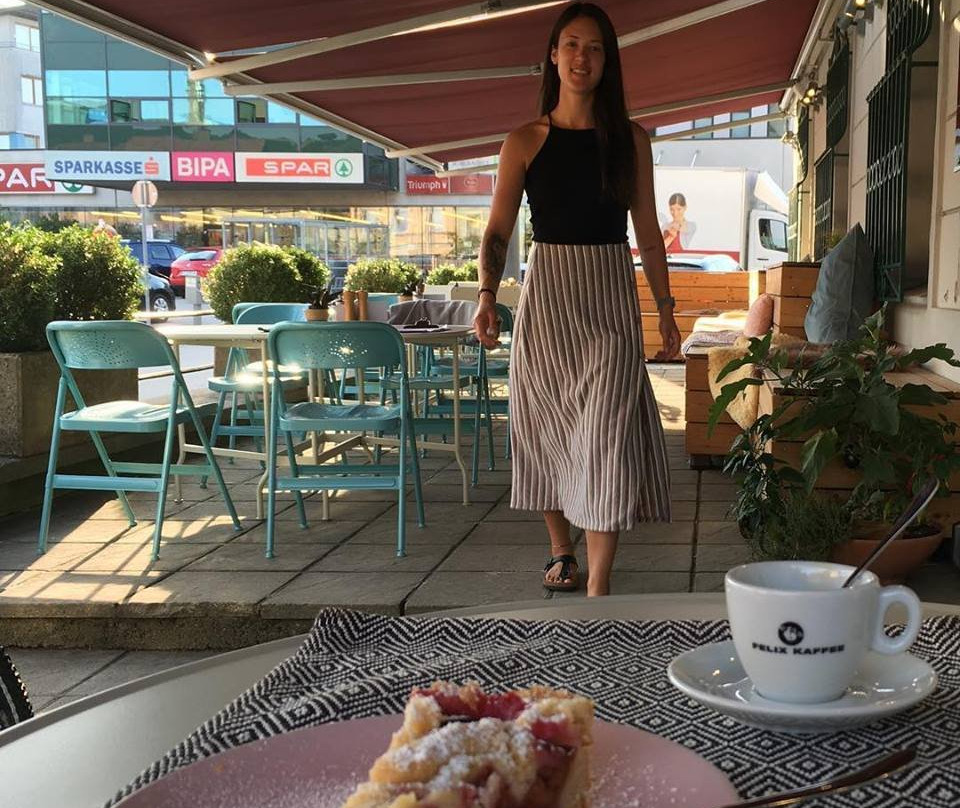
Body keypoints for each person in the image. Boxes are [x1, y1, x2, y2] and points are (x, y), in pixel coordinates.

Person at [474, 2, 679, 598]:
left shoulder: (630, 140)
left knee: (606, 436)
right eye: (571, 45)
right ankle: (562, 550)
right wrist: (486, 295)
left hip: (610, 293)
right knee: (546, 426)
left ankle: (599, 587)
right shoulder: (524, 141)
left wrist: (666, 309)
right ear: (553, 55)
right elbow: (498, 230)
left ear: (607, 60)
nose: (581, 57)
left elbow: (647, 232)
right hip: (548, 298)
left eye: (593, 47)